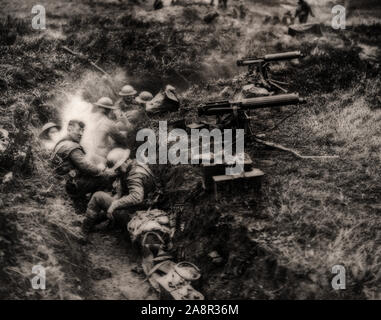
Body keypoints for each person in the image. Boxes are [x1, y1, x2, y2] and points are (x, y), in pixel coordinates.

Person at [82, 148, 155, 233]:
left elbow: (137, 197)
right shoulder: (135, 166)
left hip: (134, 216)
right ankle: (93, 222)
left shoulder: (135, 175)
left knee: (97, 197)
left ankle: (84, 230)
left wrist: (115, 204)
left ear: (124, 162)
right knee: (108, 199)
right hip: (139, 211)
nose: (117, 171)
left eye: (118, 168)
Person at [51, 120, 115, 198]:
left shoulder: (63, 143)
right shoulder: (70, 146)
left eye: (82, 131)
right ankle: (95, 202)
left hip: (62, 182)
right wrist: (103, 172)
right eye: (79, 130)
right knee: (104, 177)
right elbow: (86, 167)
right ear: (69, 129)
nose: (81, 134)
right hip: (71, 186)